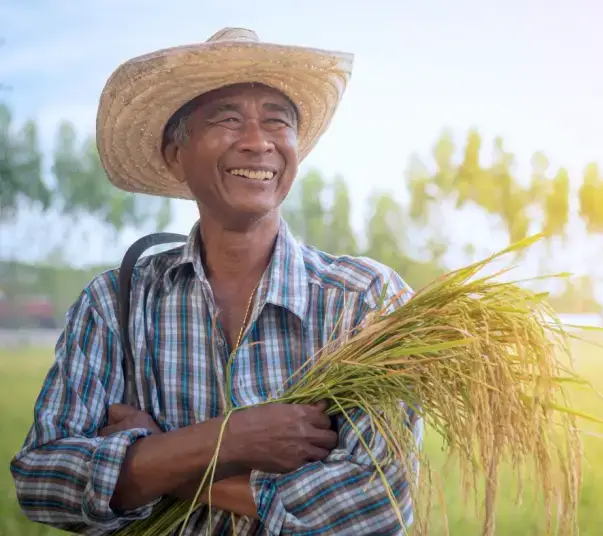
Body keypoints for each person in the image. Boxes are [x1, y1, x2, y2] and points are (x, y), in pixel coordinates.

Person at [10, 28, 418, 535]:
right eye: (227, 119)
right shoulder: (115, 302)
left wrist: (166, 458)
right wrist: (231, 440)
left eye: (277, 120)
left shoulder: (364, 302)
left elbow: (376, 499)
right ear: (175, 156)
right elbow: (43, 476)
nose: (257, 141)